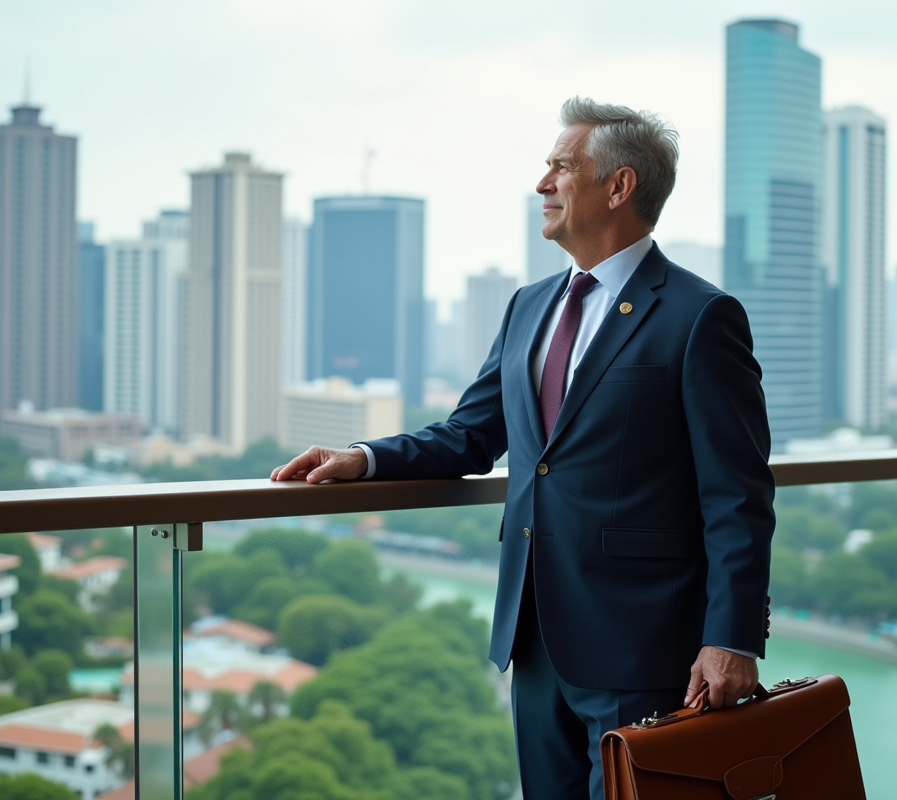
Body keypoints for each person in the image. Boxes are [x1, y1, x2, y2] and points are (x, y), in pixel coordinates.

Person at [271, 96, 775, 800]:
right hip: (533, 637)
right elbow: (471, 434)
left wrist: (732, 639)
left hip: (644, 648)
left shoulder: (700, 316)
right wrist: (365, 458)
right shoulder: (528, 306)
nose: (541, 184)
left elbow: (738, 495)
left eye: (560, 168)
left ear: (619, 186)